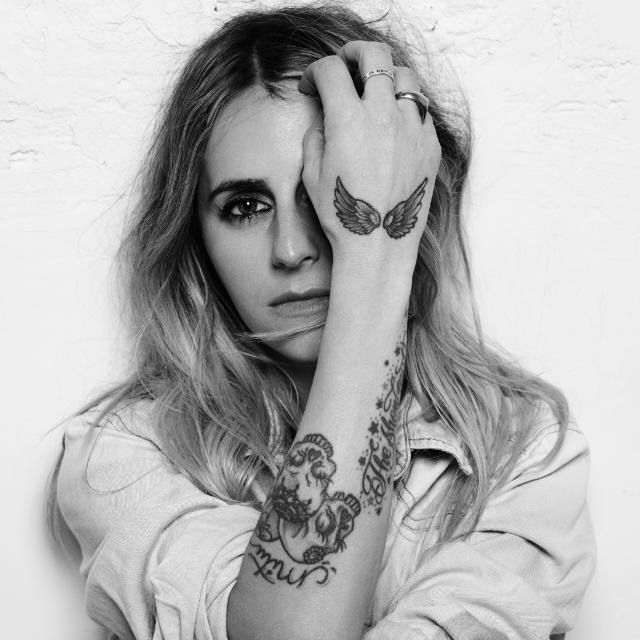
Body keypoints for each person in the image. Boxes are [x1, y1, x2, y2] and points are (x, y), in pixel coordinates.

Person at [47, 4, 596, 639]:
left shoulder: (523, 452)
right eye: (245, 206)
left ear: (410, 199)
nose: (290, 249)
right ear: (194, 237)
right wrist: (375, 255)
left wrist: (374, 254)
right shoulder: (122, 455)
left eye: (323, 195)